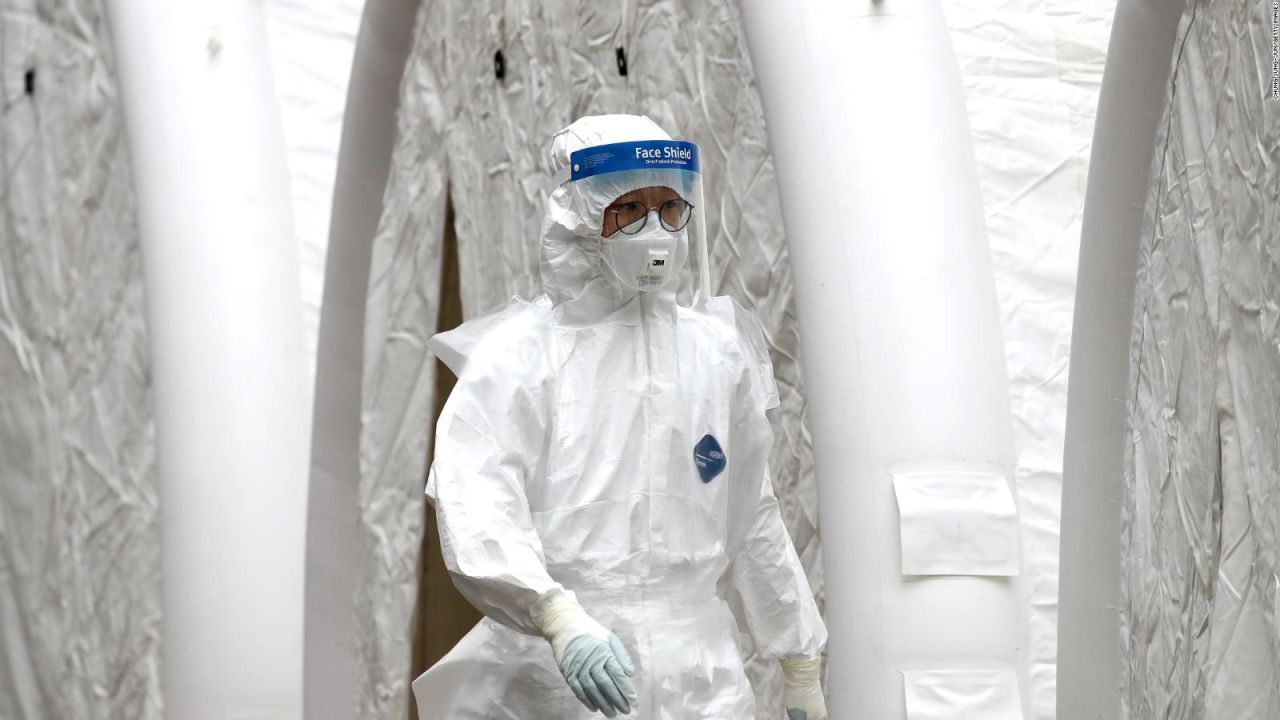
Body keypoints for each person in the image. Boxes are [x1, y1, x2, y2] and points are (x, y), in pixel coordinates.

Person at [412, 114, 828, 719]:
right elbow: (475, 501)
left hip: (699, 678)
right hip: (564, 680)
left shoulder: (715, 353)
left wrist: (799, 661)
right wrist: (557, 616)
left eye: (670, 207)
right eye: (628, 209)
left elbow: (752, 513)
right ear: (580, 216)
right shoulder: (522, 357)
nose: (653, 229)